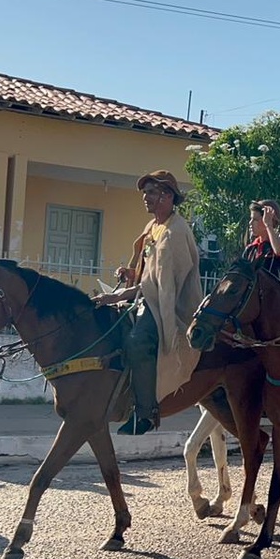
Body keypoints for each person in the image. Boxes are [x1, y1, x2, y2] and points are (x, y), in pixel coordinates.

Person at [93, 169, 204, 435]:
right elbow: (148, 274)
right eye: (145, 193)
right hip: (149, 298)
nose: (145, 197)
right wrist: (130, 273)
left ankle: (145, 413)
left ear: (167, 196)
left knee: (137, 342)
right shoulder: (153, 227)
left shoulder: (174, 233)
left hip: (172, 308)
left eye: (151, 192)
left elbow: (163, 287)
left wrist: (117, 295)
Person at [242, 199, 280, 279]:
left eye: (255, 220)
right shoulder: (250, 249)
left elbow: (279, 251)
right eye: (251, 219)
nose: (250, 223)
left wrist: (268, 225)